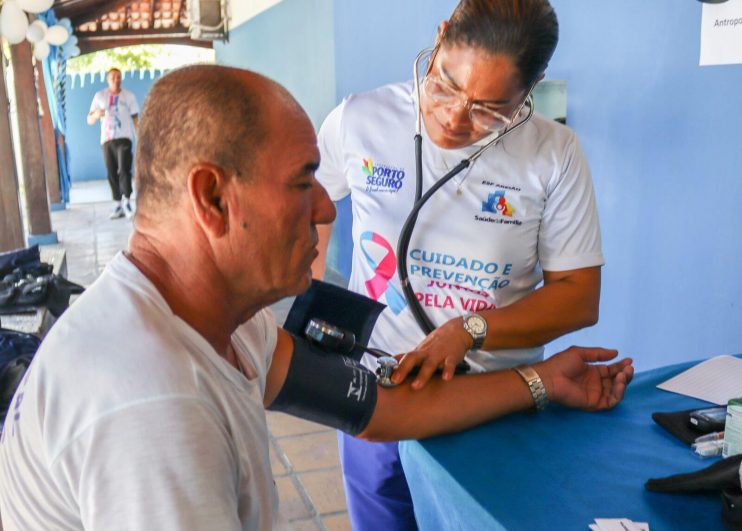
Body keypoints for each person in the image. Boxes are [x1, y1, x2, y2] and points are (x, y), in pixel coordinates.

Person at [0, 65, 632, 530]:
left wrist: (544, 381)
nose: (328, 206)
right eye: (304, 180)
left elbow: (382, 409)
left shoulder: (216, 319)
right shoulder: (152, 406)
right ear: (213, 199)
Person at [312, 1, 604, 528]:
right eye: (445, 85)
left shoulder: (554, 154)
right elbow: (309, 207)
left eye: (489, 109)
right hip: (375, 394)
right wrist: (308, 296)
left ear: (532, 87)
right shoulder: (361, 119)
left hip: (493, 403)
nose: (453, 117)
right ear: (440, 37)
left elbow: (579, 295)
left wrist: (471, 329)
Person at [87, 67, 140, 219]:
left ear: (121, 78)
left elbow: (136, 118)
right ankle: (117, 204)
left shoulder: (128, 96)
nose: (116, 79)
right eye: (113, 77)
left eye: (118, 77)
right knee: (111, 171)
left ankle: (127, 202)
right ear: (107, 79)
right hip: (107, 139)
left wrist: (139, 136)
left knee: (124, 170)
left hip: (124, 137)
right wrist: (96, 114)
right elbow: (89, 119)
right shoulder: (100, 96)